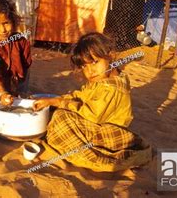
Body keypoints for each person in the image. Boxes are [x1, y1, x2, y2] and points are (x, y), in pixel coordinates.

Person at [33, 32, 151, 172]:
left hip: (108, 133)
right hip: (98, 125)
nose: (90, 71)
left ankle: (86, 156)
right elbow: (83, 94)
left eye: (95, 62)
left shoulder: (111, 89)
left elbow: (92, 115)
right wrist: (59, 99)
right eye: (84, 66)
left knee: (60, 117)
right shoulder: (103, 79)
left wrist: (60, 102)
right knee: (57, 110)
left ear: (111, 55)